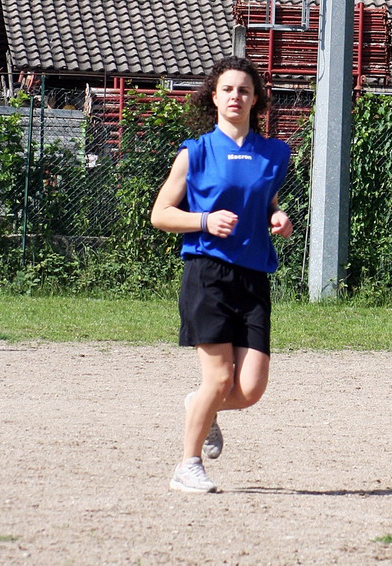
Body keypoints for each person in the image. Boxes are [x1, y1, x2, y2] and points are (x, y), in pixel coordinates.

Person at [151, 56, 294, 493]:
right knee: (217, 379)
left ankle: (200, 405)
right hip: (207, 273)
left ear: (256, 100)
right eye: (228, 89)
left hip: (253, 278)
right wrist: (203, 221)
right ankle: (187, 465)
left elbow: (265, 201)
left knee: (249, 390)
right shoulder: (194, 153)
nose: (236, 96)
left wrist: (277, 216)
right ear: (213, 97)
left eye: (244, 90)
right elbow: (160, 214)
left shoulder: (273, 154)